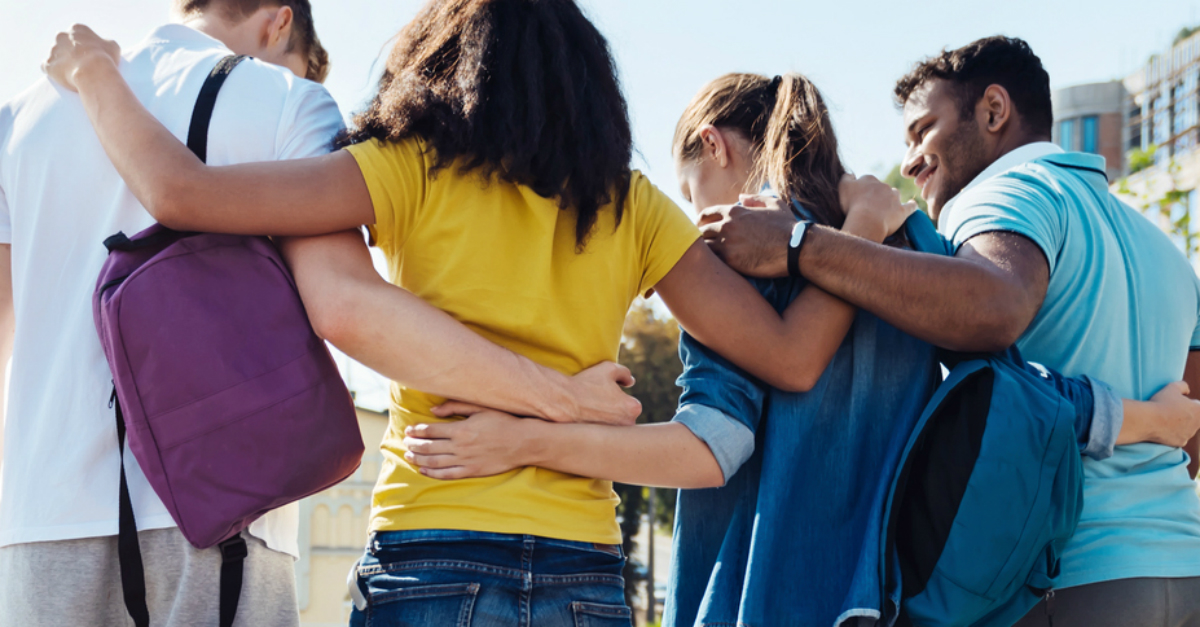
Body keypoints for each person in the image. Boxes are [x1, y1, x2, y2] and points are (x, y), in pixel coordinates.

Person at [395, 72, 1200, 627]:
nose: (689, 216)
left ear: (714, 146)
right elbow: (1008, 403)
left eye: (686, 191)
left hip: (758, 597)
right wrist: (1151, 419)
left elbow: (715, 444)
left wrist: (530, 439)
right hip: (883, 600)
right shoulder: (911, 242)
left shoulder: (730, 249)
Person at [0, 1, 641, 626]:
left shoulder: (23, 114)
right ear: (281, 20)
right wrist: (558, 396)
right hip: (218, 516)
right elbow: (348, 306)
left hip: (36, 521)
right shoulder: (286, 98)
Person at [698, 36, 1200, 627]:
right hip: (1182, 571)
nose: (909, 160)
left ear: (993, 111)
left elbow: (993, 308)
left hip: (1059, 581)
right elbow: (1189, 433)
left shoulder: (1004, 196)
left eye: (922, 131)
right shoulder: (1159, 245)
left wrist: (799, 244)